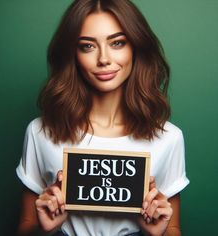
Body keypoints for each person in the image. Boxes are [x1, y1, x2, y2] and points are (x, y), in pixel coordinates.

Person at [16, 0, 189, 235]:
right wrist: (45, 228)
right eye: (88, 46)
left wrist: (155, 232)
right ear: (73, 54)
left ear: (136, 47)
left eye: (117, 43)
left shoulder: (168, 138)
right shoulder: (40, 132)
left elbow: (173, 228)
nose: (104, 59)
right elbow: (26, 227)